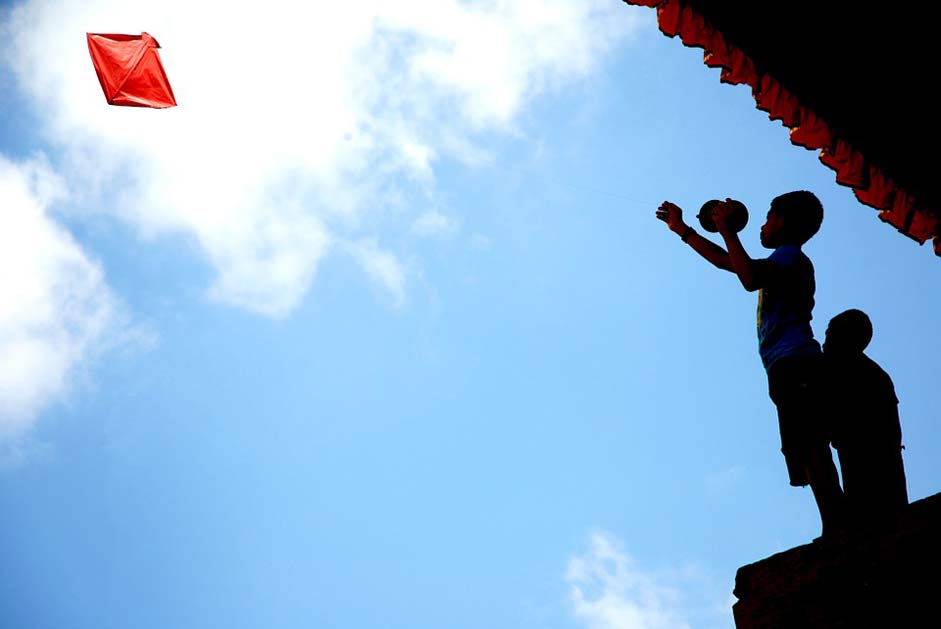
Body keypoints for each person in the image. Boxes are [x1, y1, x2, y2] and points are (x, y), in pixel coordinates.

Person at [656, 191, 844, 538]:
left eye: (769, 217)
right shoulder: (780, 260)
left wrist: (728, 230)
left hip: (796, 362)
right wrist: (682, 229)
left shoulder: (790, 258)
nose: (762, 225)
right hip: (785, 366)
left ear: (784, 222)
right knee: (804, 446)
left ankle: (838, 524)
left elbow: (748, 279)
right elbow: (727, 263)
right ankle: (836, 522)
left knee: (810, 443)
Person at [822, 309, 908, 531]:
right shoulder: (874, 376)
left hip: (873, 476)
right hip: (875, 476)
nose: (825, 342)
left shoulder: (854, 376)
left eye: (830, 335)